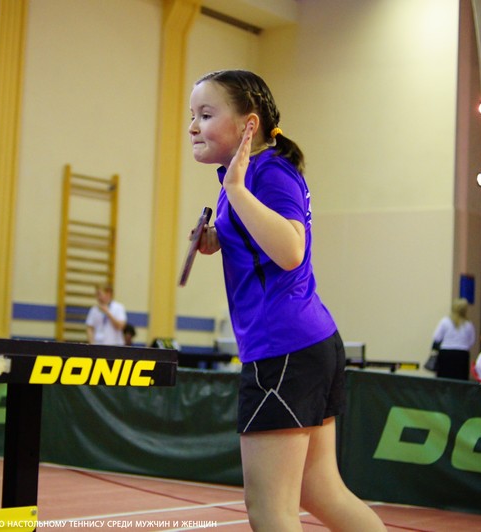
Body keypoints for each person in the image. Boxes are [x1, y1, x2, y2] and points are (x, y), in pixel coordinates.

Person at [189, 70, 385, 531]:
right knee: (320, 491)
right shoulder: (250, 174)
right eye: (191, 116)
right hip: (306, 343)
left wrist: (237, 192)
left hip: (283, 350)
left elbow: (292, 249)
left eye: (206, 114)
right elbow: (265, 241)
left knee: (269, 510)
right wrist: (221, 237)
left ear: (248, 124)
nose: (193, 126)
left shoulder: (268, 172)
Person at [430, 298, 476, 380]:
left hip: (446, 353)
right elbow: (471, 341)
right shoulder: (468, 324)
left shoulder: (445, 322)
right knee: (460, 379)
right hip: (462, 354)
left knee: (444, 379)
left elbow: (436, 337)